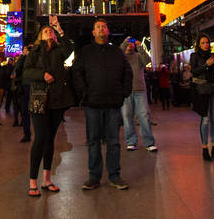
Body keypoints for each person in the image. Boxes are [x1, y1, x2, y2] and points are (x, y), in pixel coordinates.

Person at [72, 18, 131, 191]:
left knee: (113, 141)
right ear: (93, 32)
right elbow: (77, 72)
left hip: (113, 103)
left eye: (103, 27)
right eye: (98, 27)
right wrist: (84, 92)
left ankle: (115, 176)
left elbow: (127, 72)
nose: (101, 30)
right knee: (93, 141)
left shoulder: (117, 52)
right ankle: (94, 176)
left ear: (108, 31)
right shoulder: (85, 52)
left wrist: (124, 92)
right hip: (93, 103)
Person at [22, 15, 74, 197]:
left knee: (50, 140)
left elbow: (70, 47)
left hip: (57, 101)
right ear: (40, 36)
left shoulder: (59, 51)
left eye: (50, 31)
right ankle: (32, 181)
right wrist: (42, 74)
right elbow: (26, 73)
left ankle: (46, 179)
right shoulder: (34, 51)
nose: (49, 32)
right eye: (46, 31)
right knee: (40, 138)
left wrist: (59, 28)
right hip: (39, 100)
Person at [189, 33, 214, 160]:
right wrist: (206, 65)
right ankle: (205, 148)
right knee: (205, 120)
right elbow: (193, 72)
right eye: (203, 43)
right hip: (202, 91)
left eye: (207, 42)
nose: (206, 45)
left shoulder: (213, 55)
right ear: (199, 45)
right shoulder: (194, 56)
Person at [120, 37, 157, 152]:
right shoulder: (121, 58)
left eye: (132, 43)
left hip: (140, 90)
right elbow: (117, 55)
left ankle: (149, 142)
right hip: (126, 91)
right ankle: (131, 142)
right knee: (127, 117)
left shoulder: (138, 56)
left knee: (144, 117)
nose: (130, 45)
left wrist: (140, 47)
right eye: (128, 43)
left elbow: (147, 60)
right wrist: (124, 43)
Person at [13, 45, 32, 142]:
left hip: (34, 88)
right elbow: (17, 69)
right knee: (24, 112)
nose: (27, 51)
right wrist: (23, 56)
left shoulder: (35, 56)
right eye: (25, 49)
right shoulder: (22, 59)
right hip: (24, 87)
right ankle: (27, 134)